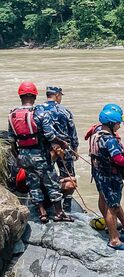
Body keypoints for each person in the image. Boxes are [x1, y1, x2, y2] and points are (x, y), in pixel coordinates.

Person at [7, 82, 72, 223]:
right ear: (35, 96)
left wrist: (18, 157)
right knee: (51, 183)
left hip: (23, 155)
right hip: (40, 155)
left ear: (20, 96)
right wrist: (62, 143)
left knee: (33, 184)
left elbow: (11, 139)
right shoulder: (39, 113)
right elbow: (49, 135)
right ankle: (59, 213)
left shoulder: (12, 114)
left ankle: (42, 213)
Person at [90, 105, 124, 250]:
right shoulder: (110, 140)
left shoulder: (97, 133)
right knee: (112, 207)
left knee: (104, 200)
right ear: (112, 124)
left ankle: (116, 228)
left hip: (99, 174)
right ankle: (114, 239)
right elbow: (118, 160)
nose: (120, 125)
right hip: (111, 177)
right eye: (118, 123)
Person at [41, 86, 79, 212]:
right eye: (61, 95)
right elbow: (72, 131)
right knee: (69, 177)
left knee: (47, 175)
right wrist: (75, 148)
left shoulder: (38, 110)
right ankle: (67, 203)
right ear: (57, 95)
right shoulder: (64, 111)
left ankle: (48, 203)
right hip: (65, 147)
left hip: (46, 148)